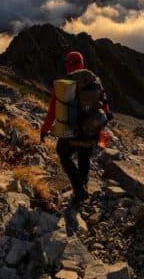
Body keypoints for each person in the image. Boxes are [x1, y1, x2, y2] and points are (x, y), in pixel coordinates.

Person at [40, 51, 112, 206]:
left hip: (72, 133)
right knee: (84, 156)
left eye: (66, 62)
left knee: (63, 154)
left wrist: (44, 130)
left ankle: (79, 190)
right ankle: (83, 186)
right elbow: (104, 104)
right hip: (92, 130)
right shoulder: (95, 80)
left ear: (69, 64)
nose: (65, 65)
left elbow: (52, 111)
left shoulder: (65, 83)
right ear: (82, 63)